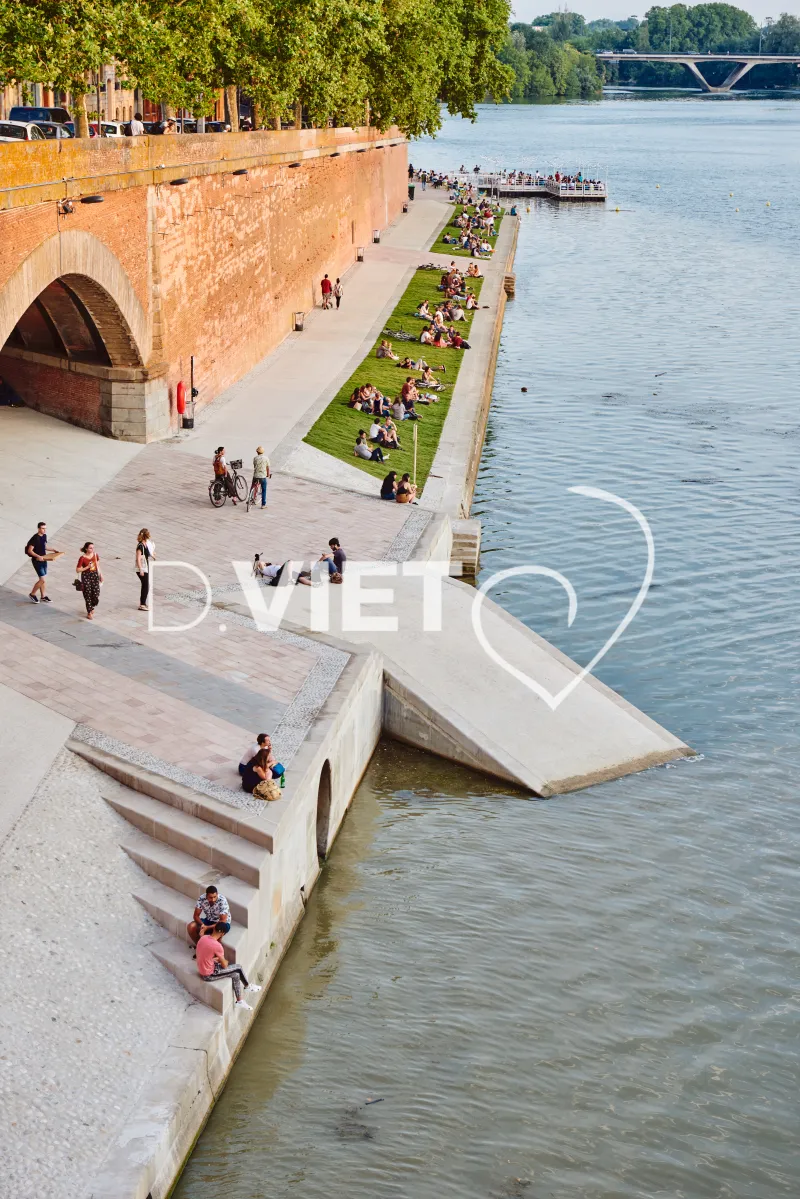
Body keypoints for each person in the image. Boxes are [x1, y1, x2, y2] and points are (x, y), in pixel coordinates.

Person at [196, 921, 261, 1010]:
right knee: (238, 967)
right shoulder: (217, 946)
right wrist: (224, 961)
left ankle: (239, 1001)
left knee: (236, 975)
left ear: (214, 928)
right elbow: (225, 965)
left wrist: (216, 959)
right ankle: (247, 986)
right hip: (209, 975)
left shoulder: (204, 938)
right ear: (222, 933)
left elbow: (204, 955)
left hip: (203, 968)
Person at [25, 521, 59, 603]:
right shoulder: (35, 538)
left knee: (42, 579)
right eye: (43, 528)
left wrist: (53, 550)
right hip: (37, 560)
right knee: (42, 580)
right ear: (38, 529)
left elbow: (44, 546)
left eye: (45, 529)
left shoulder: (44, 536)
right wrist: (38, 556)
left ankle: (43, 596)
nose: (44, 530)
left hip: (44, 559)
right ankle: (32, 594)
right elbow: (30, 551)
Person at [76, 541, 103, 620]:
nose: (92, 549)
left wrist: (101, 575)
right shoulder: (82, 558)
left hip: (94, 575)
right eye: (91, 548)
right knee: (87, 593)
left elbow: (98, 565)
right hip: (86, 576)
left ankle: (91, 606)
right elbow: (78, 570)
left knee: (96, 593)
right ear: (86, 549)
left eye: (93, 548)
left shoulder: (95, 555)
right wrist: (87, 567)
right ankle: (89, 612)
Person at [135, 527, 156, 612]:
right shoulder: (140, 546)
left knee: (145, 585)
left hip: (145, 567)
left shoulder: (146, 544)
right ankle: (142, 604)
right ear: (147, 536)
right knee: (146, 585)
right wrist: (141, 570)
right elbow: (138, 558)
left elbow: (148, 554)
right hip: (142, 568)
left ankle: (143, 603)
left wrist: (153, 556)